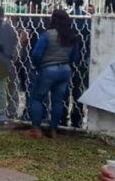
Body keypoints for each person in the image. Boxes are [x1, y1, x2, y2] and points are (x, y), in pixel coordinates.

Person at [28, 9, 81, 138]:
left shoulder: (47, 35)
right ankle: (53, 130)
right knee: (58, 101)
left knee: (37, 98)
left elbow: (36, 54)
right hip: (65, 70)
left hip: (48, 70)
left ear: (53, 20)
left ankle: (36, 129)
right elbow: (75, 56)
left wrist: (38, 66)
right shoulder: (71, 36)